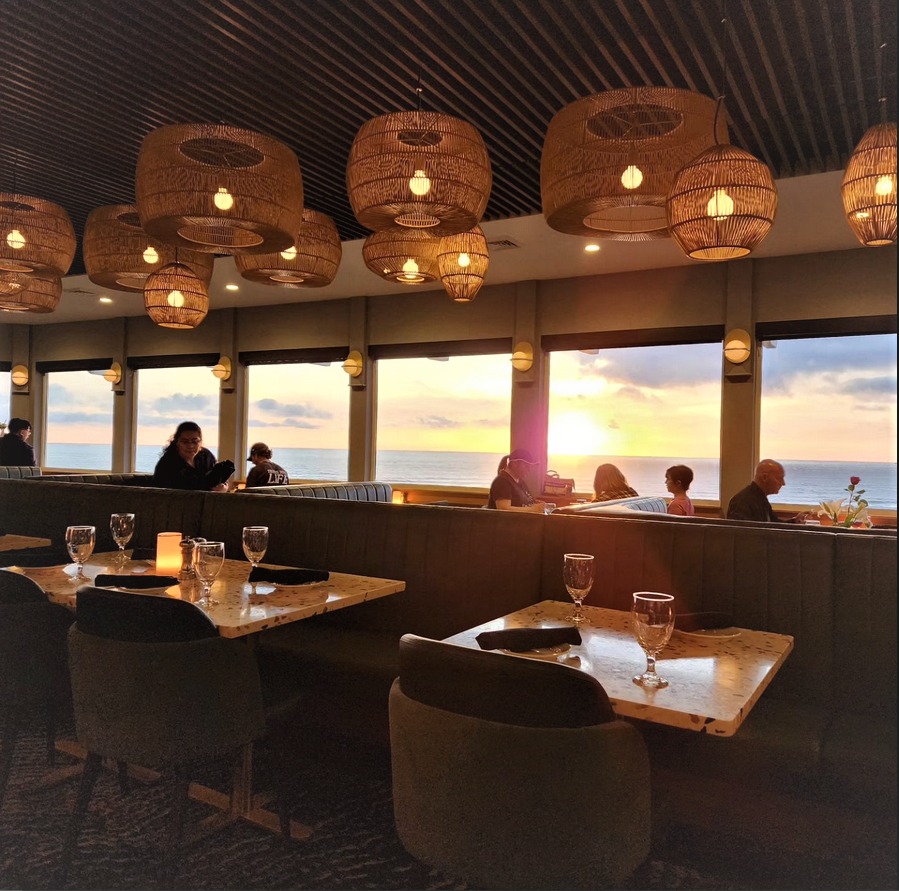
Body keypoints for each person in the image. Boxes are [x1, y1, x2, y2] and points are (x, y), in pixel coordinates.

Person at [152, 421, 234, 491]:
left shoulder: (206, 456)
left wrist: (224, 487)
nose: (190, 445)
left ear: (200, 442)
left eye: (195, 441)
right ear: (177, 442)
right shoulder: (168, 463)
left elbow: (221, 477)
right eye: (185, 441)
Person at [726, 459, 809, 523]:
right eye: (779, 478)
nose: (783, 483)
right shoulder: (742, 502)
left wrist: (794, 521)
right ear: (764, 477)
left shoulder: (760, 498)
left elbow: (773, 524)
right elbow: (741, 537)